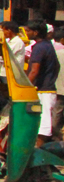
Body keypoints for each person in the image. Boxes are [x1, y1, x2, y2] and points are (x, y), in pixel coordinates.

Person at [25, 19, 60, 147]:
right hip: (45, 88)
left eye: (28, 31)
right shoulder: (47, 45)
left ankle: (38, 147)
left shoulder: (39, 48)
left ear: (36, 32)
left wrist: (25, 88)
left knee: (44, 123)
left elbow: (34, 71)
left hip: (44, 90)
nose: (26, 33)